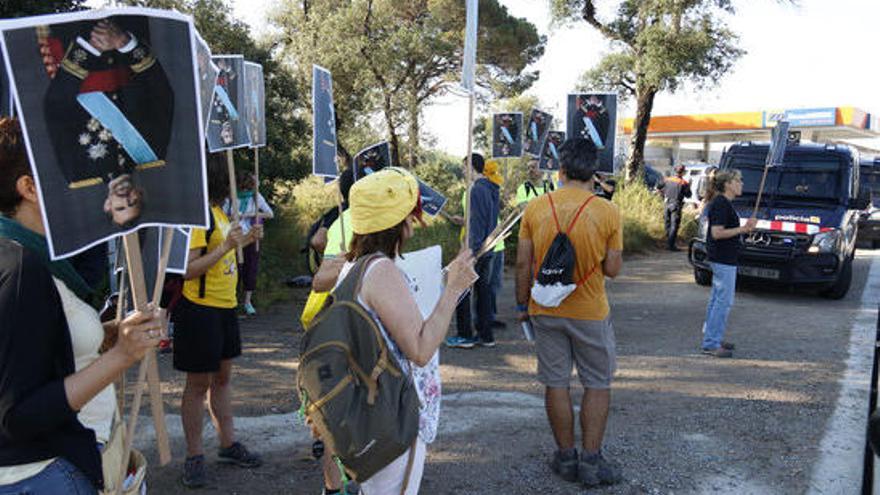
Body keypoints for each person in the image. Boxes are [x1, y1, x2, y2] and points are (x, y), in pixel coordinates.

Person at [0, 117, 164, 494]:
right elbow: (17, 414)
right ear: (29, 187)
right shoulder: (22, 267)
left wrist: (105, 336)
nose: (91, 183)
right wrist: (122, 355)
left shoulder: (29, 257)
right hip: (39, 475)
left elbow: (24, 352)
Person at [314, 167, 476, 494]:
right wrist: (453, 291)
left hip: (368, 409)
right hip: (392, 414)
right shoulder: (383, 271)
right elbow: (420, 350)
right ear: (401, 222)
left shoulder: (355, 265)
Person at [515, 137, 624, 488]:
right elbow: (613, 269)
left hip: (544, 309)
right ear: (593, 172)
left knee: (556, 383)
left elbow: (522, 263)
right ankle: (591, 462)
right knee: (597, 383)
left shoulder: (535, 207)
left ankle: (565, 457)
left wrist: (521, 305)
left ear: (560, 170)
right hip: (590, 311)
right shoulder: (607, 211)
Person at [173, 152, 264, 488]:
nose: (232, 188)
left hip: (225, 307)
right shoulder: (198, 218)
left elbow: (228, 251)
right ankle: (194, 456)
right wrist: (227, 246)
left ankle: (228, 444)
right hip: (198, 309)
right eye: (227, 182)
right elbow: (187, 270)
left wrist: (248, 239)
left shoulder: (220, 213)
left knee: (223, 379)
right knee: (197, 385)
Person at [42, 18, 173, 228]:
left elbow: (55, 109)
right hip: (127, 35)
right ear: (139, 193)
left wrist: (88, 50)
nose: (126, 198)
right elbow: (161, 94)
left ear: (107, 205)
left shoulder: (78, 172)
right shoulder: (152, 154)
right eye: (134, 202)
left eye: (121, 207)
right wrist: (126, 44)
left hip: (74, 46)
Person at [446, 153, 500, 349]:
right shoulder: (491, 187)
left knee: (461, 290)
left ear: (472, 167)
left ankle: (465, 335)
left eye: (464, 167)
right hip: (488, 247)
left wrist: (469, 252)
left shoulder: (476, 189)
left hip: (476, 249)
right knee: (483, 293)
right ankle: (486, 335)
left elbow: (477, 224)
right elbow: (484, 219)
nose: (462, 171)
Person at [700, 169, 757, 358]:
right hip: (723, 258)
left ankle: (712, 337)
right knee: (723, 302)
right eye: (738, 180)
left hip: (723, 257)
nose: (742, 184)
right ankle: (711, 343)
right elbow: (717, 233)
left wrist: (743, 229)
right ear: (728, 184)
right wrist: (742, 229)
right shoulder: (722, 204)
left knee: (717, 300)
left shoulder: (722, 203)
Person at [225, 172, 274, 316]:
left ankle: (247, 302)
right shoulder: (230, 197)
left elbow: (270, 214)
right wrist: (234, 216)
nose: (247, 191)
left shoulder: (256, 197)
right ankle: (232, 300)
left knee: (250, 267)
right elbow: (224, 215)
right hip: (233, 236)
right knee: (234, 268)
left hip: (251, 236)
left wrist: (249, 214)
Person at [656, 164, 692, 251]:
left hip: (666, 203)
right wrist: (689, 186)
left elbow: (658, 186)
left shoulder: (667, 179)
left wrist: (662, 192)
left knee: (667, 224)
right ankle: (671, 245)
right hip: (676, 204)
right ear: (683, 172)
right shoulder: (684, 183)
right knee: (674, 225)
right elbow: (688, 195)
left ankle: (668, 242)